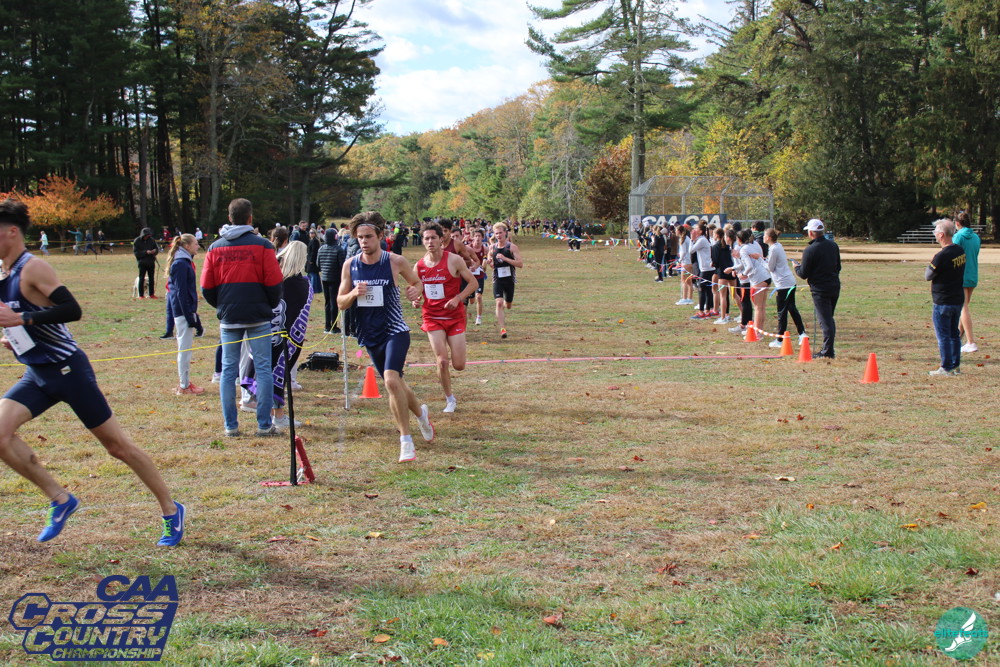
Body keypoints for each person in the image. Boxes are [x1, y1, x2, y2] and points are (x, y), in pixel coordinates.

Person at [0, 199, 185, 546]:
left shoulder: (33, 268)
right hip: (37, 374)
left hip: (68, 371)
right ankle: (61, 499)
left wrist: (22, 319)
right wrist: (17, 337)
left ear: (11, 232)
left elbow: (72, 310)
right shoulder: (4, 274)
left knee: (118, 447)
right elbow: (27, 318)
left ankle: (171, 510)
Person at [337, 211, 434, 463]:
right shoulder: (350, 265)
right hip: (369, 333)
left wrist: (415, 292)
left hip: (395, 329)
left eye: (368, 236)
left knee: (391, 381)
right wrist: (353, 294)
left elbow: (417, 283)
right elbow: (340, 302)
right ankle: (421, 414)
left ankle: (406, 441)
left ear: (380, 236)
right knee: (397, 382)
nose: (364, 241)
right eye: (360, 237)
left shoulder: (395, 261)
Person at [201, 198, 283, 437]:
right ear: (250, 218)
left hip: (231, 316)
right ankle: (264, 425)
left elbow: (206, 287)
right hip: (257, 316)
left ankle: (231, 426)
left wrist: (223, 306)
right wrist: (269, 305)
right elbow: (274, 282)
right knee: (263, 369)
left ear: (229, 218)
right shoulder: (263, 246)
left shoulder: (215, 247)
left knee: (229, 371)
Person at [414, 222, 477, 413]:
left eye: (433, 237)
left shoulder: (454, 260)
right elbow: (416, 289)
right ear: (422, 241)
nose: (430, 242)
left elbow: (473, 283)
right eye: (426, 238)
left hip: (454, 317)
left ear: (441, 239)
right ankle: (450, 399)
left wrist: (458, 298)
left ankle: (452, 387)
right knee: (442, 361)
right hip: (432, 317)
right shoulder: (419, 266)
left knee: (459, 365)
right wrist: (415, 300)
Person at [794, 219, 841, 359]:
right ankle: (828, 348)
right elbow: (838, 267)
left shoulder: (810, 249)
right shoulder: (833, 245)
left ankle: (827, 351)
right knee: (829, 319)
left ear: (811, 233)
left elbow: (803, 273)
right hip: (834, 285)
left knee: (825, 321)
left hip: (820, 289)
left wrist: (796, 267)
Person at [166, 234, 204, 395]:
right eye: (195, 244)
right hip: (183, 311)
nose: (198, 246)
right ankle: (184, 385)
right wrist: (189, 316)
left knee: (185, 348)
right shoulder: (181, 264)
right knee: (184, 349)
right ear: (186, 246)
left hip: (186, 310)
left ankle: (185, 382)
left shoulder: (184, 262)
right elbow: (180, 292)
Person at [926, 219, 965, 375]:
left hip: (943, 300)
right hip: (957, 298)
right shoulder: (959, 250)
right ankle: (955, 365)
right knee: (954, 334)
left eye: (935, 232)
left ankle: (946, 367)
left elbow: (928, 275)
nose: (934, 234)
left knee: (943, 336)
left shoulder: (941, 255)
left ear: (941, 235)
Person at [764, 228, 806, 348]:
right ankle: (802, 334)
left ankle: (780, 339)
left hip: (783, 285)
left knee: (782, 312)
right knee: (792, 309)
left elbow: (770, 268)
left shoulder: (773, 249)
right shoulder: (778, 246)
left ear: (769, 238)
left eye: (765, 235)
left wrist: (760, 260)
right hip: (789, 282)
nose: (763, 237)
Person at [486, 222, 523, 339]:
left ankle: (506, 304)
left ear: (505, 233)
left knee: (508, 305)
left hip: (509, 280)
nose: (498, 235)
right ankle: (503, 329)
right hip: (498, 279)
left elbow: (520, 264)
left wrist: (505, 258)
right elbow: (490, 258)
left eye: (500, 233)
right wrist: (490, 262)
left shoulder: (511, 247)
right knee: (499, 303)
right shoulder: (492, 247)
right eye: (496, 233)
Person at [953, 211, 980, 353]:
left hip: (961, 275)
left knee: (963, 307)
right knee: (964, 307)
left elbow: (952, 255)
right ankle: (958, 339)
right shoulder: (976, 237)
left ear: (957, 223)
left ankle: (971, 342)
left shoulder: (958, 236)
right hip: (973, 275)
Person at [317, 227, 346, 334]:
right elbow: (342, 265)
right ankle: (334, 326)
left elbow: (318, 264)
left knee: (327, 302)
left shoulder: (321, 249)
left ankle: (327, 326)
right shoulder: (339, 249)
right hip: (335, 278)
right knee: (334, 302)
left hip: (324, 278)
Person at [133, 227, 159, 298]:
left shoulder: (152, 240)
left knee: (151, 278)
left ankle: (151, 294)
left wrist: (154, 251)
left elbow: (156, 249)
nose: (148, 237)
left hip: (151, 262)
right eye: (146, 235)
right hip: (142, 262)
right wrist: (146, 252)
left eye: (149, 235)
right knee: (141, 278)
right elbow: (136, 253)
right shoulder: (137, 241)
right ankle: (141, 295)